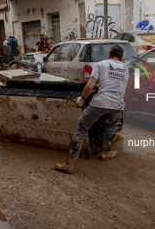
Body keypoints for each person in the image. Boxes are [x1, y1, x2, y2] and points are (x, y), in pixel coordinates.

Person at [55, 45, 129, 174]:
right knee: (111, 125)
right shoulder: (125, 68)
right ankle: (105, 153)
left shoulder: (101, 64)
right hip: (118, 104)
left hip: (100, 103)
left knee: (82, 128)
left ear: (109, 54)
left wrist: (82, 99)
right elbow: (117, 85)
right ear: (121, 58)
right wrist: (102, 85)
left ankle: (69, 164)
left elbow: (89, 86)